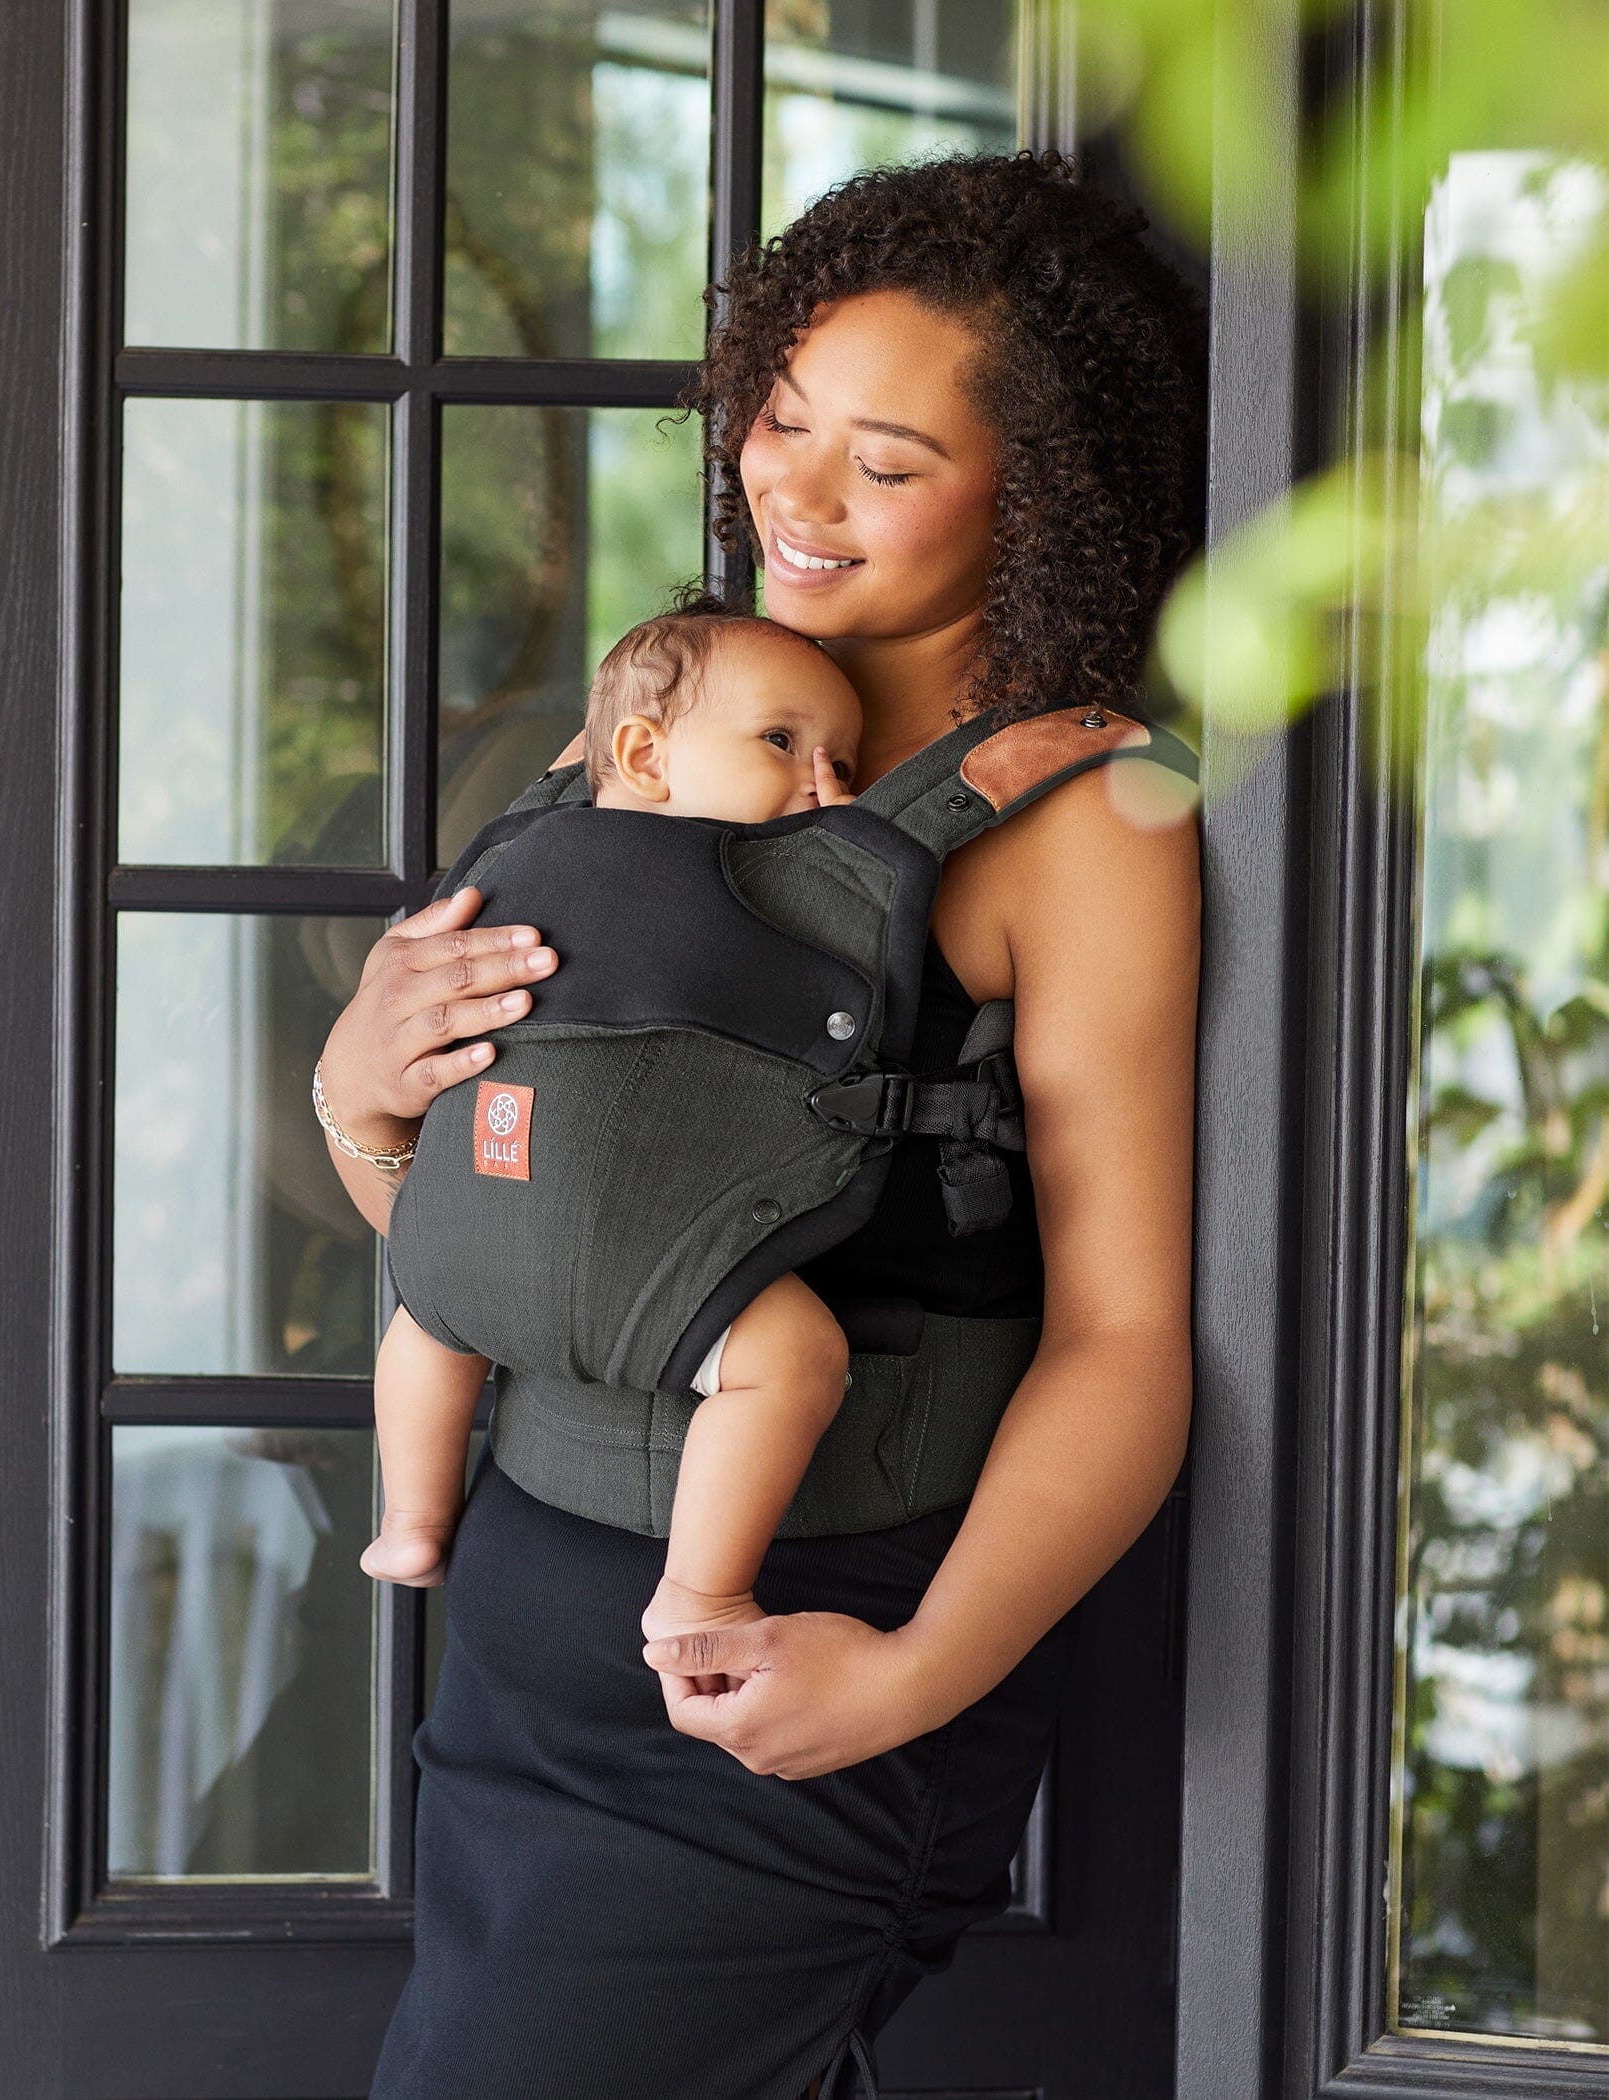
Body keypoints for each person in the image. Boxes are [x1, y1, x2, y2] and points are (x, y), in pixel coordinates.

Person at [315, 151, 1204, 2099]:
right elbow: (497, 1186)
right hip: (520, 1681)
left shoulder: (1083, 826)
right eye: (779, 420)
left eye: (883, 463)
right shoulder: (676, 715)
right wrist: (357, 1090)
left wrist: (913, 1675)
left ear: (1035, 488)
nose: (791, 493)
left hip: (774, 1698)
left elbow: (1126, 1337)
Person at [358, 601, 868, 1657]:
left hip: (468, 1225)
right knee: (799, 1359)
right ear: (642, 753)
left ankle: (411, 1518)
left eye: (844, 764)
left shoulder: (521, 851)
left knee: (425, 1322)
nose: (823, 788)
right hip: (645, 1260)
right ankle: (701, 1591)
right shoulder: (771, 904)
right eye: (783, 743)